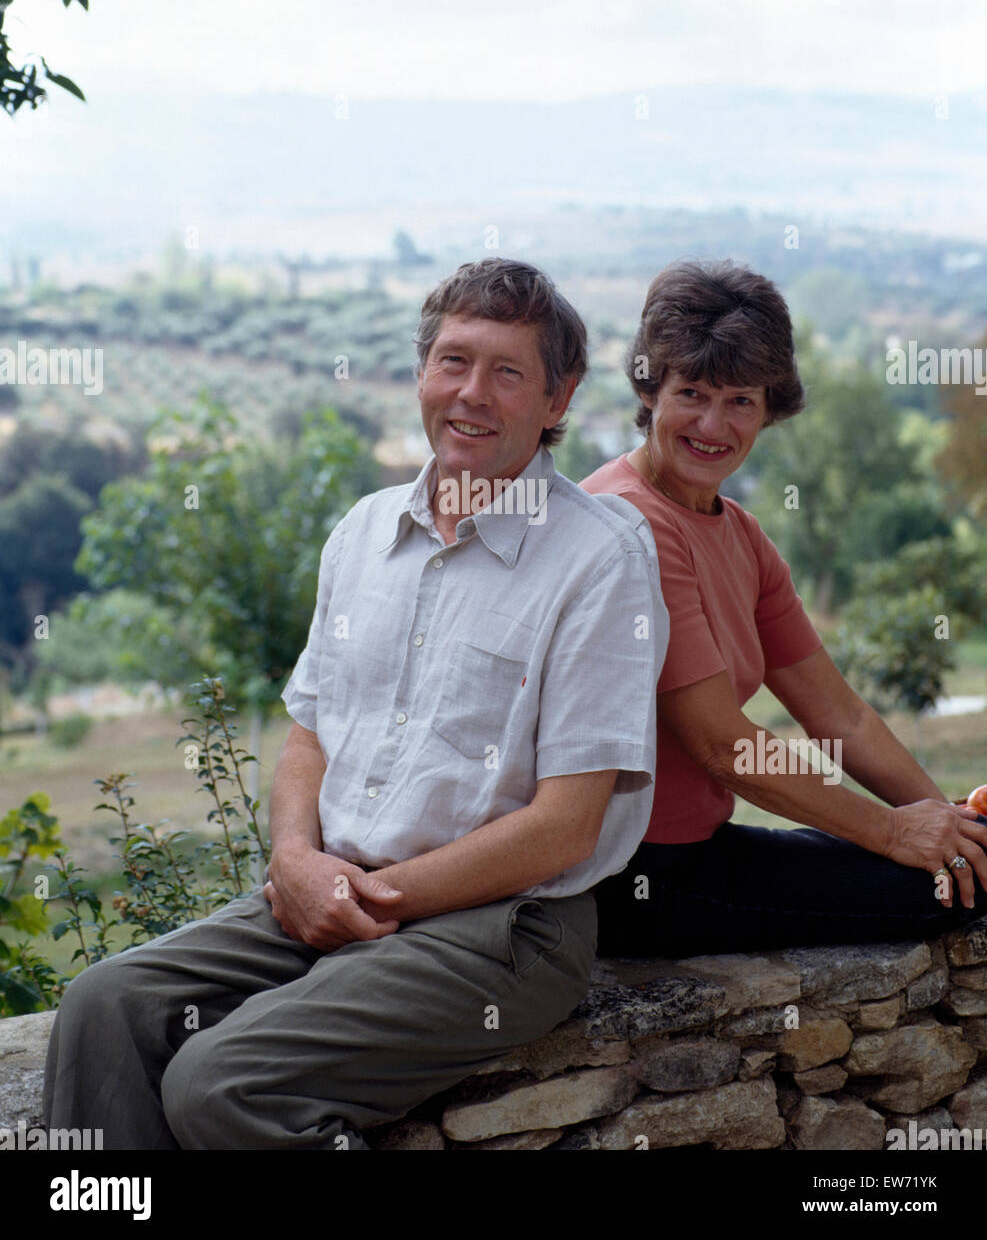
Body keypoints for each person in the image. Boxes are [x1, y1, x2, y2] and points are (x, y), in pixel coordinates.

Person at [44, 257, 667, 1149]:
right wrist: (296, 861)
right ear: (420, 373)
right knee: (105, 1006)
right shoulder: (364, 533)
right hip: (331, 892)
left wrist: (364, 894)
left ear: (558, 399)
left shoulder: (601, 558)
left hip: (501, 928)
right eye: (453, 362)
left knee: (221, 1083)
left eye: (507, 372)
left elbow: (565, 828)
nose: (471, 393)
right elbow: (309, 738)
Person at [580, 258, 987, 959]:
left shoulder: (737, 532)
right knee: (949, 891)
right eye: (692, 393)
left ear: (770, 407)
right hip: (631, 875)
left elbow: (840, 716)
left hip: (698, 852)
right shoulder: (626, 524)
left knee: (970, 868)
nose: (714, 424)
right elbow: (721, 744)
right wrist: (895, 834)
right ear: (649, 390)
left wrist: (945, 827)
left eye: (740, 400)